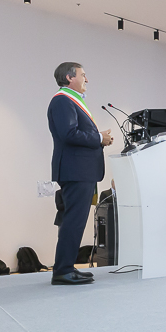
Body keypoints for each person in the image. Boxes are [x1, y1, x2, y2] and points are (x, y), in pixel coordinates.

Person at [47, 62, 112, 285]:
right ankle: (63, 270)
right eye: (83, 75)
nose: (87, 79)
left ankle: (66, 267)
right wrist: (98, 138)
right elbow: (69, 134)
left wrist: (98, 137)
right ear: (69, 78)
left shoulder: (69, 101)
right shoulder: (62, 101)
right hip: (76, 170)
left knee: (74, 221)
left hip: (79, 170)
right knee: (73, 222)